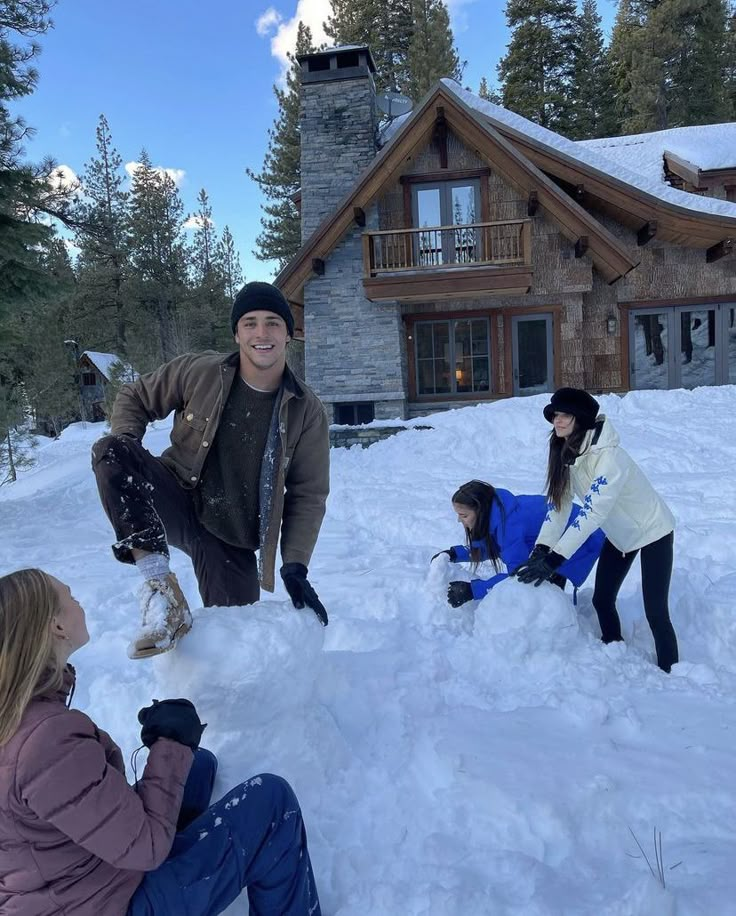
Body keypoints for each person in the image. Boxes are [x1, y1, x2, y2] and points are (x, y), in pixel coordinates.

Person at [0, 568, 322, 915]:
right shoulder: (46, 739)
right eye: (71, 598)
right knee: (271, 801)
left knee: (198, 767)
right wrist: (171, 743)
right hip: (102, 903)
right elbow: (147, 847)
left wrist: (173, 750)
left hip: (65, 886)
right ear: (56, 626)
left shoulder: (18, 716)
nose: (79, 603)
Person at [92, 281, 330, 659]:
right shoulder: (199, 370)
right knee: (111, 451)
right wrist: (129, 448)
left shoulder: (307, 410)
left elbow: (308, 494)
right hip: (175, 497)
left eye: (273, 323)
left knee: (236, 642)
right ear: (237, 333)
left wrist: (296, 565)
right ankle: (158, 589)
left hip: (231, 538)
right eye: (250, 323)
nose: (261, 333)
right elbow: (134, 395)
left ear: (289, 333)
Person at [514, 387, 679, 673]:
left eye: (565, 415)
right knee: (602, 599)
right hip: (620, 534)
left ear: (581, 419)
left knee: (655, 611)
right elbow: (559, 507)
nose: (557, 420)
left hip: (653, 530)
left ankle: (671, 671)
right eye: (555, 414)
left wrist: (555, 559)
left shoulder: (609, 458)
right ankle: (612, 649)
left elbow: (592, 513)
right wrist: (541, 549)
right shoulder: (566, 452)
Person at [432, 479, 604, 607]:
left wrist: (473, 590)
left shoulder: (509, 527)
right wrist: (455, 553)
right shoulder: (497, 511)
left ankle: (555, 629)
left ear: (481, 511)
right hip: (560, 533)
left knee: (538, 583)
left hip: (582, 536)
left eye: (463, 515)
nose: (458, 520)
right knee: (540, 584)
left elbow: (518, 575)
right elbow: (493, 546)